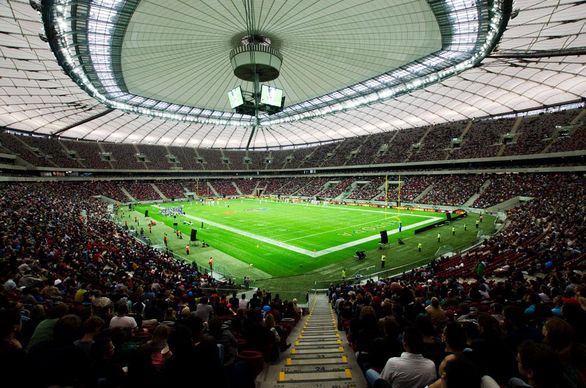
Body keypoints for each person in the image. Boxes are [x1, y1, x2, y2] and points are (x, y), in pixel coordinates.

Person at [366, 327, 437, 387]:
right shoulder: (431, 365)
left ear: (404, 344)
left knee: (369, 371)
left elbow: (383, 382)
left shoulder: (393, 363)